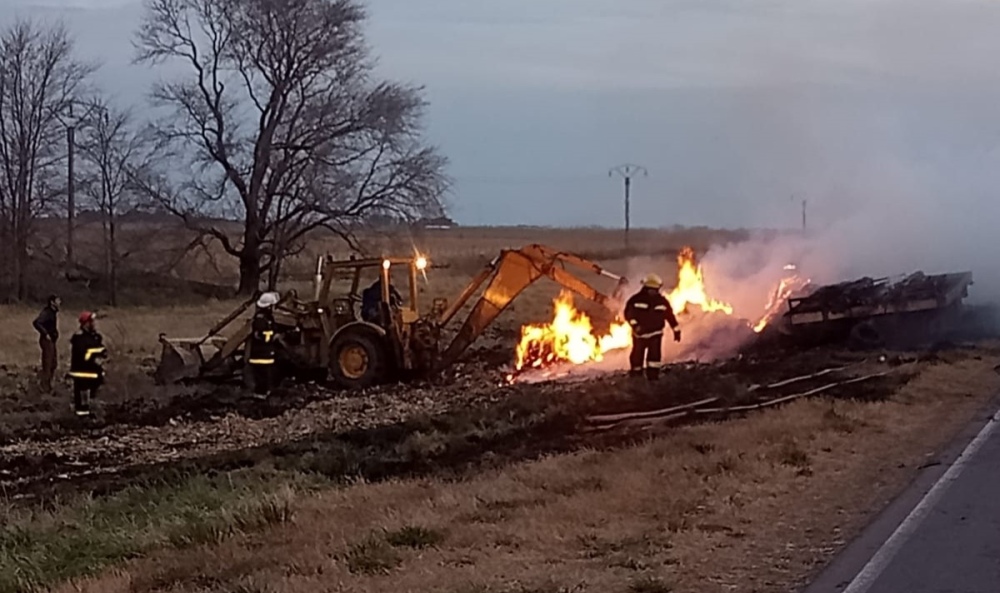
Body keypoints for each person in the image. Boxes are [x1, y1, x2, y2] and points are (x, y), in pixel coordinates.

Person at [624, 274, 681, 380]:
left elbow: (670, 316)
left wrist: (676, 330)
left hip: (656, 334)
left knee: (654, 359)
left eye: (656, 289)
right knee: (637, 357)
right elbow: (628, 314)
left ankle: (653, 378)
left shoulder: (662, 302)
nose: (654, 292)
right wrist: (635, 326)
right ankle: (636, 377)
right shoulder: (635, 300)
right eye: (652, 289)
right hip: (639, 336)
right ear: (646, 288)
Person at [69, 311, 107, 416]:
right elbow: (84, 355)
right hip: (82, 373)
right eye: (92, 321)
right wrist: (97, 351)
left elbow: (100, 350)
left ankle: (91, 414)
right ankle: (81, 421)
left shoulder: (94, 337)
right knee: (82, 402)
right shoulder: (79, 338)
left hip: (93, 373)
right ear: (86, 323)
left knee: (92, 398)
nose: (94, 324)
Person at [247, 291, 280, 396]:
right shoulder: (261, 319)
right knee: (261, 377)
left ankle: (265, 394)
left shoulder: (268, 318)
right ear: (269, 306)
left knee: (267, 377)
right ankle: (259, 396)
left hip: (266, 354)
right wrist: (272, 337)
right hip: (260, 356)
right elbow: (259, 335)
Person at [32, 295, 61, 392]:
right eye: (57, 300)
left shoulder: (53, 313)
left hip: (52, 341)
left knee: (53, 363)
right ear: (52, 302)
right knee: (48, 364)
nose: (60, 302)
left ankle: (47, 385)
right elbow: (37, 322)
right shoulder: (47, 312)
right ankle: (44, 387)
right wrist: (45, 334)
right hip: (47, 341)